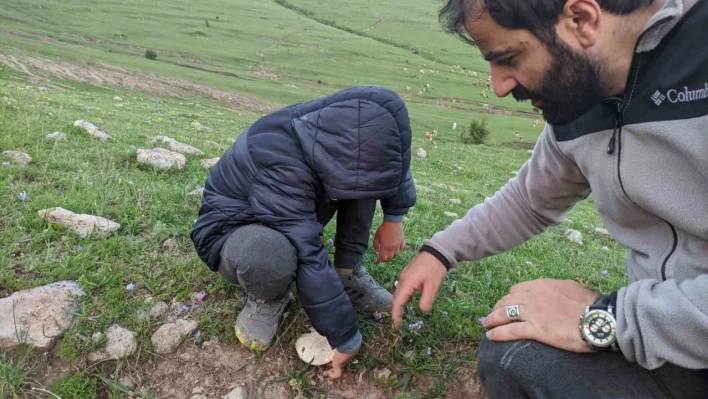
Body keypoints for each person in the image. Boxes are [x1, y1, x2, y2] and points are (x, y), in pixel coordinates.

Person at [392, 0, 708, 397]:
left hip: (668, 324)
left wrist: (608, 318)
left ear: (581, 20)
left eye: (509, 58)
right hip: (670, 342)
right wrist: (441, 251)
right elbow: (531, 199)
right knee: (515, 352)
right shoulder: (583, 92)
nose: (499, 86)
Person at [191, 86, 415, 378]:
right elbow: (308, 254)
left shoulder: (341, 129)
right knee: (271, 253)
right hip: (235, 229)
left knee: (364, 180)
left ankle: (346, 273)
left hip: (287, 211)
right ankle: (268, 294)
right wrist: (345, 337)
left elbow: (391, 159)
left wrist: (394, 216)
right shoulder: (278, 161)